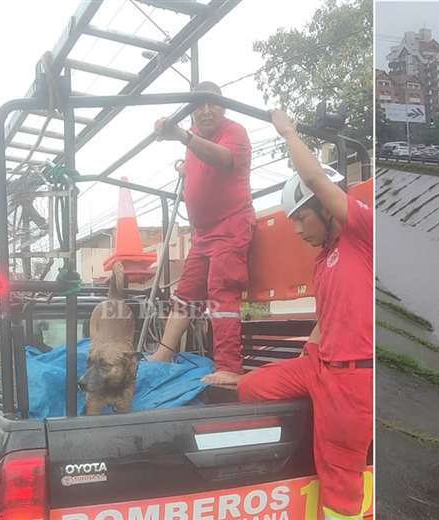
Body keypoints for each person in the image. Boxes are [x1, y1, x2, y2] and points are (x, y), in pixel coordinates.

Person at [235, 110, 373, 520]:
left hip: (352, 378)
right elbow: (324, 318)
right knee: (250, 388)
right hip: (319, 365)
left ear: (326, 209)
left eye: (301, 218)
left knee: (340, 486)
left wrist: (289, 133)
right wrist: (304, 361)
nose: (297, 230)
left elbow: (315, 180)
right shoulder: (324, 259)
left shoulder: (361, 233)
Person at [149, 81, 254, 385]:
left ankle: (229, 367)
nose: (206, 110)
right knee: (185, 294)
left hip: (231, 225)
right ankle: (164, 353)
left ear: (224, 107)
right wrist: (185, 167)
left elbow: (222, 158)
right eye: (199, 104)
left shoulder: (235, 132)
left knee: (222, 294)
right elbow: (200, 163)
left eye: (213, 103)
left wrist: (181, 135)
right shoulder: (193, 141)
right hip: (203, 234)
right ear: (192, 110)